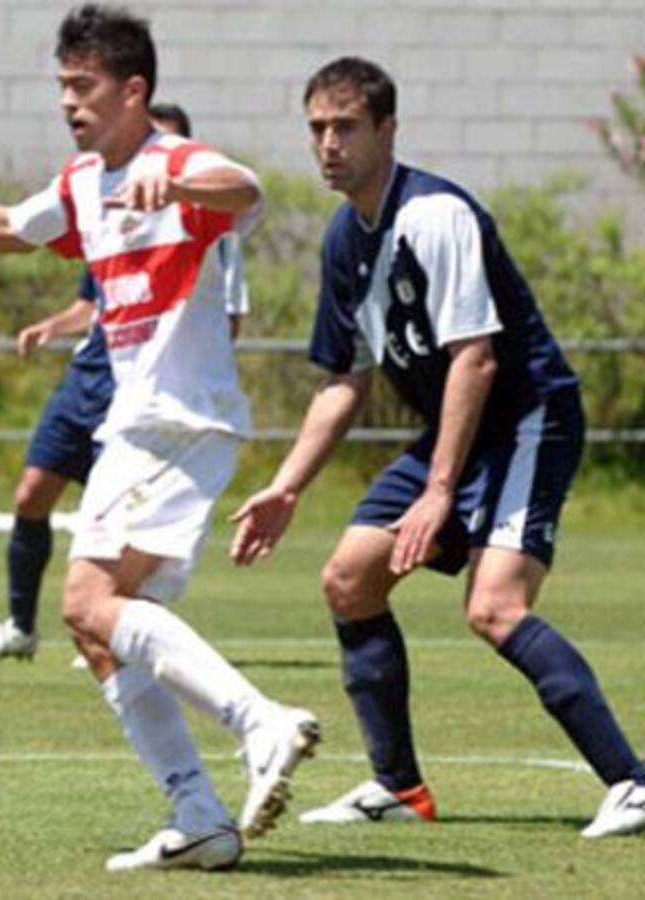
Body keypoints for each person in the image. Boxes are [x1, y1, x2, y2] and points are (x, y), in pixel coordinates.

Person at [0, 4, 318, 872]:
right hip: (152, 421)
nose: (68, 102)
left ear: (134, 90)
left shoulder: (174, 163)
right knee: (105, 627)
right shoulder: (86, 180)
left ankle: (260, 723)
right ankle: (198, 814)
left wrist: (183, 186)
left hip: (172, 417)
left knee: (85, 603)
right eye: (62, 86)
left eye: (83, 87)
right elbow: (10, 228)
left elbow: (247, 190)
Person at [230, 56, 645, 839]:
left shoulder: (435, 216)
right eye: (317, 128)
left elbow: (477, 358)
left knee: (493, 608)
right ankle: (398, 786)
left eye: (346, 127)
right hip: (461, 430)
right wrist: (286, 488)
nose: (328, 144)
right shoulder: (342, 239)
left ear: (388, 130)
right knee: (350, 579)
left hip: (528, 417)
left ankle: (632, 780)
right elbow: (344, 382)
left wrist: (439, 489)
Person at [0, 101, 250, 666]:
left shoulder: (208, 228)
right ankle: (25, 624)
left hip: (149, 394)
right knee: (31, 494)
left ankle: (113, 622)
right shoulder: (104, 206)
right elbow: (90, 301)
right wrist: (52, 326)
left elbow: (226, 305)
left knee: (120, 548)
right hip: (90, 377)